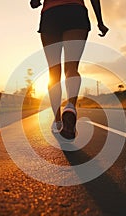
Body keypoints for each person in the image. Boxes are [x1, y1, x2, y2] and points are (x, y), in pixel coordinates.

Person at [30, 0, 109, 140]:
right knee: (71, 68)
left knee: (53, 72)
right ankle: (70, 106)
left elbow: (34, 2)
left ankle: (57, 121)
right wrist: (100, 22)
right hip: (76, 13)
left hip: (51, 14)